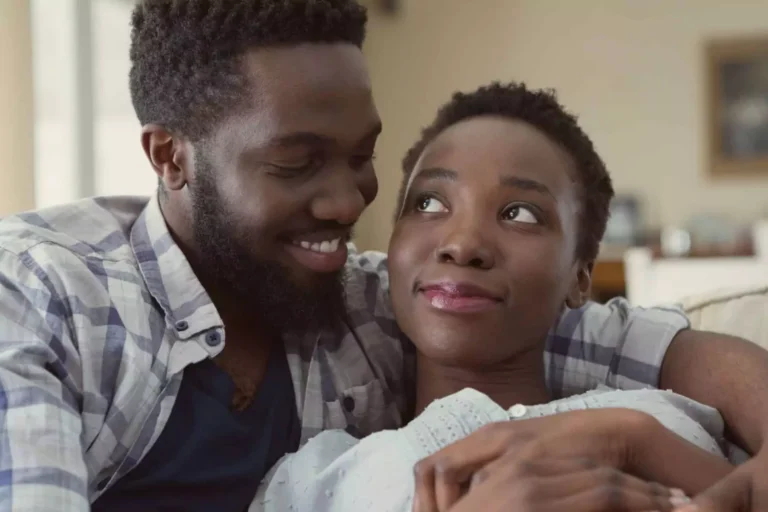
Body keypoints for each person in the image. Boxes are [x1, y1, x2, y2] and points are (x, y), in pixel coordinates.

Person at [0, 1, 765, 510]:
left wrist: (636, 441)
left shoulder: (386, 300)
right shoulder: (43, 300)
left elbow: (645, 346)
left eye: (361, 156)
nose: (346, 202)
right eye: (298, 162)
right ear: (171, 157)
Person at [251, 82, 735, 512]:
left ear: (579, 278)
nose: (462, 244)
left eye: (520, 213)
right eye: (429, 203)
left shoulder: (658, 422)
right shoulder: (316, 481)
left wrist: (633, 443)